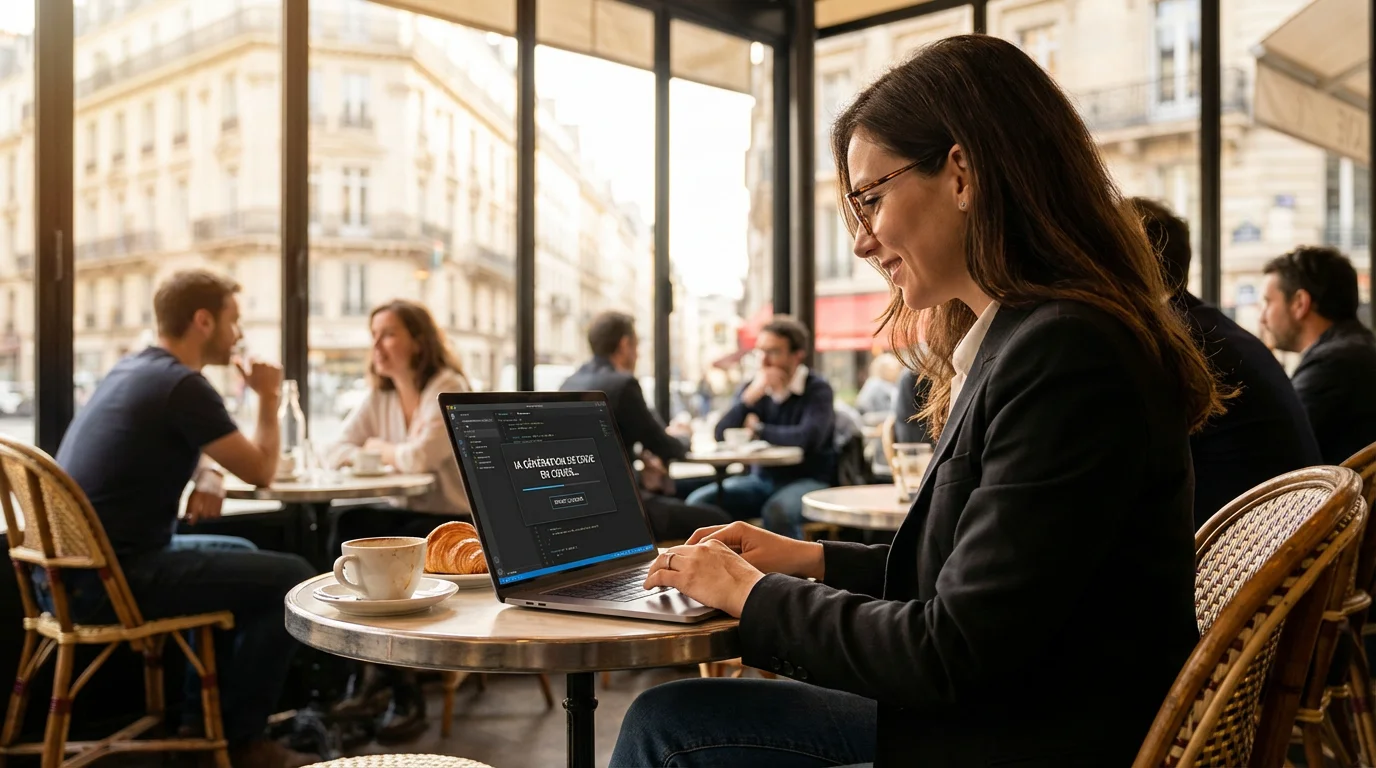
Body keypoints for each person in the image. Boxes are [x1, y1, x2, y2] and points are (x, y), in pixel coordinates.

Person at [612, 35, 1216, 767]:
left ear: (961, 174)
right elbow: (977, 587)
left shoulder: (1066, 354)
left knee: (668, 731)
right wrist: (809, 559)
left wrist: (751, 594)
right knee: (669, 718)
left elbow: (950, 650)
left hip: (1018, 740)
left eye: (871, 199)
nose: (862, 243)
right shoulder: (1037, 339)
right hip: (1015, 717)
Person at [49, 270, 317, 768]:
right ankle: (243, 740)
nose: (238, 334)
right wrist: (267, 396)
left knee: (244, 557)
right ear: (203, 321)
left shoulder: (134, 369)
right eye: (234, 321)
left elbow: (178, 439)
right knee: (292, 581)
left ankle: (201, 723)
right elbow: (261, 470)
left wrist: (208, 473)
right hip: (114, 580)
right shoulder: (184, 386)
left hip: (68, 576)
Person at [324, 299, 473, 744]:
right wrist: (380, 451)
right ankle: (376, 676)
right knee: (347, 525)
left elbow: (420, 457)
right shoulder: (382, 395)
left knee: (360, 532)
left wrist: (377, 449)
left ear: (419, 342)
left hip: (452, 525)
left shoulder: (448, 387)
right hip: (409, 515)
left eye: (388, 334)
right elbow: (335, 450)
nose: (377, 345)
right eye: (374, 335)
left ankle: (391, 684)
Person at [1133, 198, 1321, 525]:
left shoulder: (1178, 340)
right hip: (1291, 531)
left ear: (1131, 260)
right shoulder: (1208, 327)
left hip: (1251, 544)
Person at [560, 311, 730, 541]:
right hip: (621, 507)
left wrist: (641, 454)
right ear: (625, 345)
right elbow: (667, 447)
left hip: (579, 507)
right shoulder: (623, 384)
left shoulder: (569, 383)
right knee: (721, 522)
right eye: (637, 345)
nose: (638, 354)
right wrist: (683, 435)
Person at [687, 316, 837, 540]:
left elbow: (808, 437)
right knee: (699, 504)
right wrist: (747, 399)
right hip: (760, 480)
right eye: (761, 352)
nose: (764, 361)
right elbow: (721, 433)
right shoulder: (755, 388)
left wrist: (758, 430)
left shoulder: (816, 389)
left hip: (809, 480)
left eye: (773, 352)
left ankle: (787, 564)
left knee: (777, 511)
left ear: (797, 355)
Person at [1260, 246, 1376, 465]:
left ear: (1300, 303)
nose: (1262, 318)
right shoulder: (1358, 347)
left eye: (1267, 302)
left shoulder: (1333, 364)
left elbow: (1273, 449)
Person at [853, 352, 901, 423]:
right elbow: (862, 408)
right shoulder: (874, 384)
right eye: (891, 369)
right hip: (878, 424)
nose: (896, 372)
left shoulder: (894, 385)